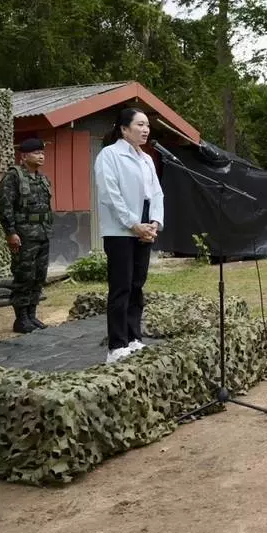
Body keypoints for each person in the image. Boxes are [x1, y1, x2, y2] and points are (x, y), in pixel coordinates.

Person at [95, 108, 164, 364]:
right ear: (124, 129)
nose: (145, 130)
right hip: (120, 230)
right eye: (140, 125)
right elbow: (110, 194)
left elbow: (156, 193)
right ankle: (116, 345)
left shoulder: (146, 159)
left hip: (144, 228)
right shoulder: (109, 155)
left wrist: (154, 223)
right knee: (121, 286)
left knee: (137, 285)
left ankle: (134, 337)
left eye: (147, 125)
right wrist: (134, 224)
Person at [0, 138, 55, 333]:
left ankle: (32, 314)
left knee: (39, 276)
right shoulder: (13, 177)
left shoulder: (42, 179)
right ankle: (21, 318)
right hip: (24, 236)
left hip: (42, 234)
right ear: (24, 156)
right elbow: (5, 207)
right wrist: (11, 232)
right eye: (36, 153)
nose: (41, 156)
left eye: (42, 153)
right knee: (24, 275)